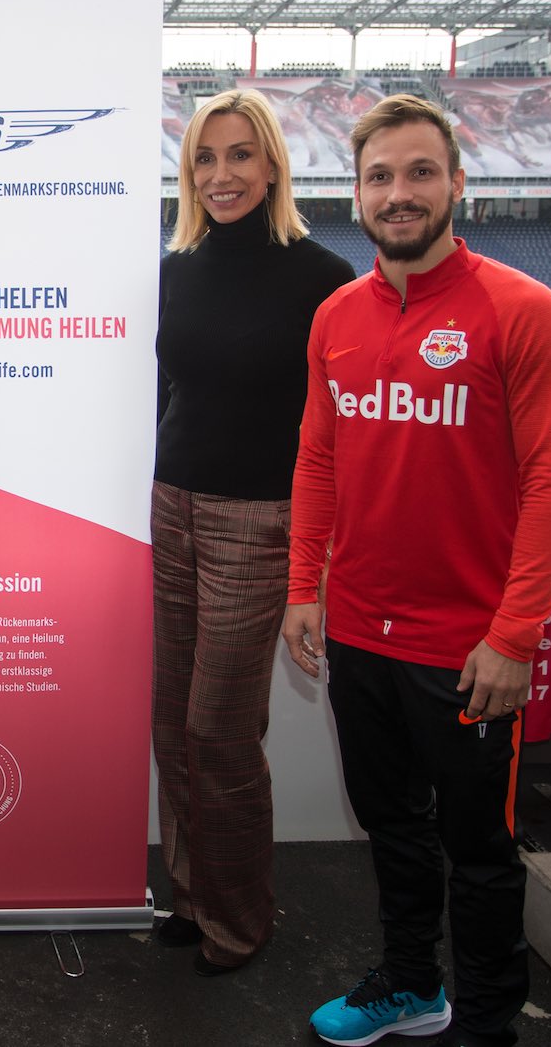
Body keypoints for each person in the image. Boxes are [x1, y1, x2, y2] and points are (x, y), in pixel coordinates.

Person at [281, 94, 551, 1047]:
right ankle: (412, 984)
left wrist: (514, 635)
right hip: (360, 629)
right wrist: (302, 585)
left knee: (481, 850)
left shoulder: (522, 310)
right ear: (356, 193)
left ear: (457, 182)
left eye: (419, 173)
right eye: (379, 177)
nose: (398, 193)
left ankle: (488, 1025)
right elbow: (318, 460)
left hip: (470, 646)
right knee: (393, 826)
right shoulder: (336, 316)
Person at [151, 89, 355, 976]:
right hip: (170, 507)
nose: (221, 174)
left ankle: (240, 918)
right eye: (204, 157)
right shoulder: (176, 270)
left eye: (239, 154)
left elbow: (338, 433)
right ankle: (192, 896)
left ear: (273, 164)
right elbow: (171, 394)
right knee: (172, 724)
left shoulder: (325, 279)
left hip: (260, 523)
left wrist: (316, 555)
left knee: (220, 730)